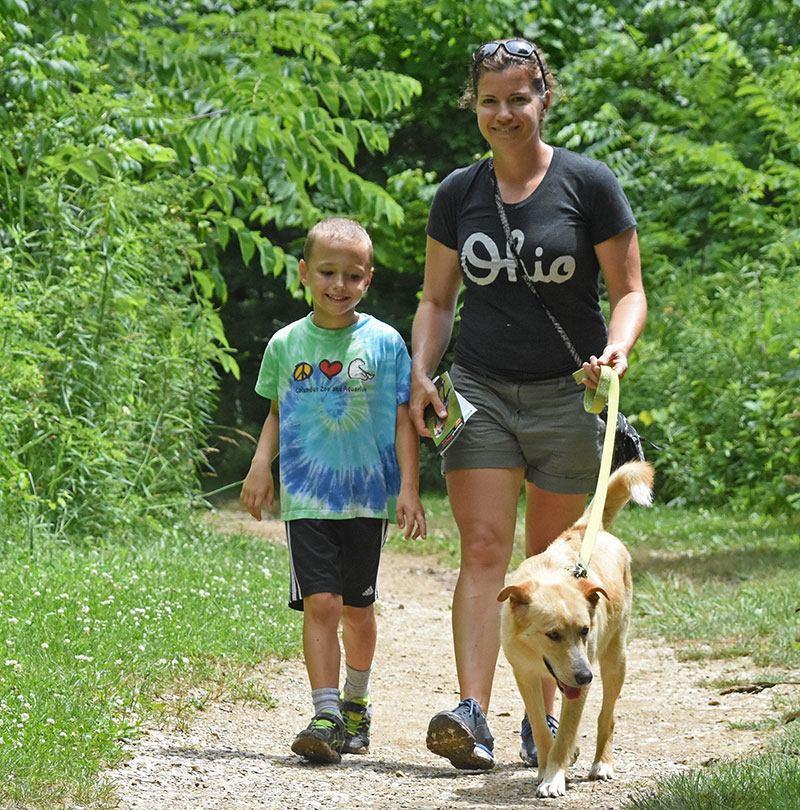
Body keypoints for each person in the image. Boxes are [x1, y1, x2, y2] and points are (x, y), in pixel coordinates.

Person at [409, 39, 646, 770]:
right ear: (473, 106)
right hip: (477, 388)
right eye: (489, 100)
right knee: (485, 552)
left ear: (546, 97)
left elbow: (629, 291)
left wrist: (617, 349)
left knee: (555, 566)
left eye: (518, 97)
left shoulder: (589, 183)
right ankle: (473, 714)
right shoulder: (458, 194)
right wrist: (422, 371)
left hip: (566, 394)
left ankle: (539, 722)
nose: (503, 113)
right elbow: (438, 300)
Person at [241, 217, 426, 765]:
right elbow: (277, 412)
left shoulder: (385, 343)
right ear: (304, 273)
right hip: (307, 499)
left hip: (367, 498)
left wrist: (409, 488)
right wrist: (259, 465)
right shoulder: (286, 343)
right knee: (320, 603)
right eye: (327, 272)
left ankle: (355, 701)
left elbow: (401, 421)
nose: (338, 285)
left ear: (368, 280)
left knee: (357, 609)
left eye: (352, 275)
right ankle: (324, 713)